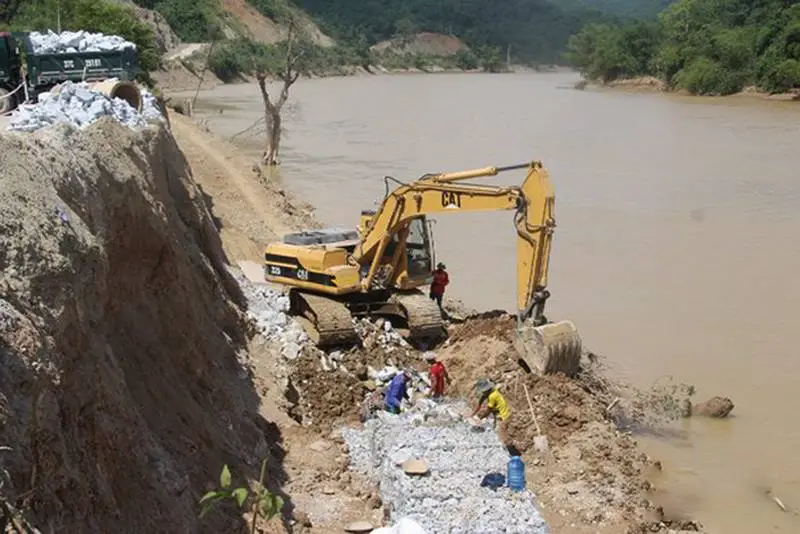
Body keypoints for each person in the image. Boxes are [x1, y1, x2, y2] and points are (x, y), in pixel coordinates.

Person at [470, 378, 519, 455]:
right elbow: (480, 402)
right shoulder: (492, 391)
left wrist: (479, 418)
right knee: (497, 431)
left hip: (503, 416)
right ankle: (507, 449)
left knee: (503, 435)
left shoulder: (493, 396)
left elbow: (488, 410)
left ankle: (513, 453)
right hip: (499, 415)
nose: (483, 393)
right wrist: (472, 414)